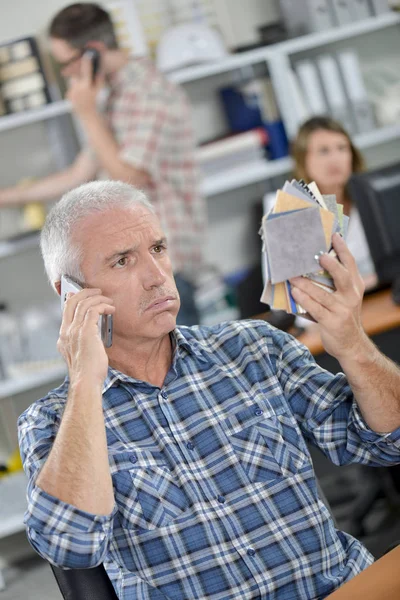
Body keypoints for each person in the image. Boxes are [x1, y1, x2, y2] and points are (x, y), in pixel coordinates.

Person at [18, 180, 400, 599]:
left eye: (158, 249)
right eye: (123, 261)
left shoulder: (252, 347)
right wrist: (87, 384)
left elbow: (386, 443)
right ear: (70, 294)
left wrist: (353, 344)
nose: (156, 276)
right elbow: (71, 545)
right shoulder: (52, 420)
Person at [0, 3, 205, 324]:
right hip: (137, 269)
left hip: (165, 267)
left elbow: (129, 178)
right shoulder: (117, 98)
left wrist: (85, 112)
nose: (65, 74)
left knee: (179, 371)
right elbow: (79, 174)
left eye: (66, 63)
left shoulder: (148, 93)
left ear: (93, 52)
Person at [264, 116, 378, 291]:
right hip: (319, 317)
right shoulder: (287, 212)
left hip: (378, 298)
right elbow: (290, 295)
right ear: (303, 160)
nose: (335, 159)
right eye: (323, 151)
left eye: (342, 148)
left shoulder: (371, 197)